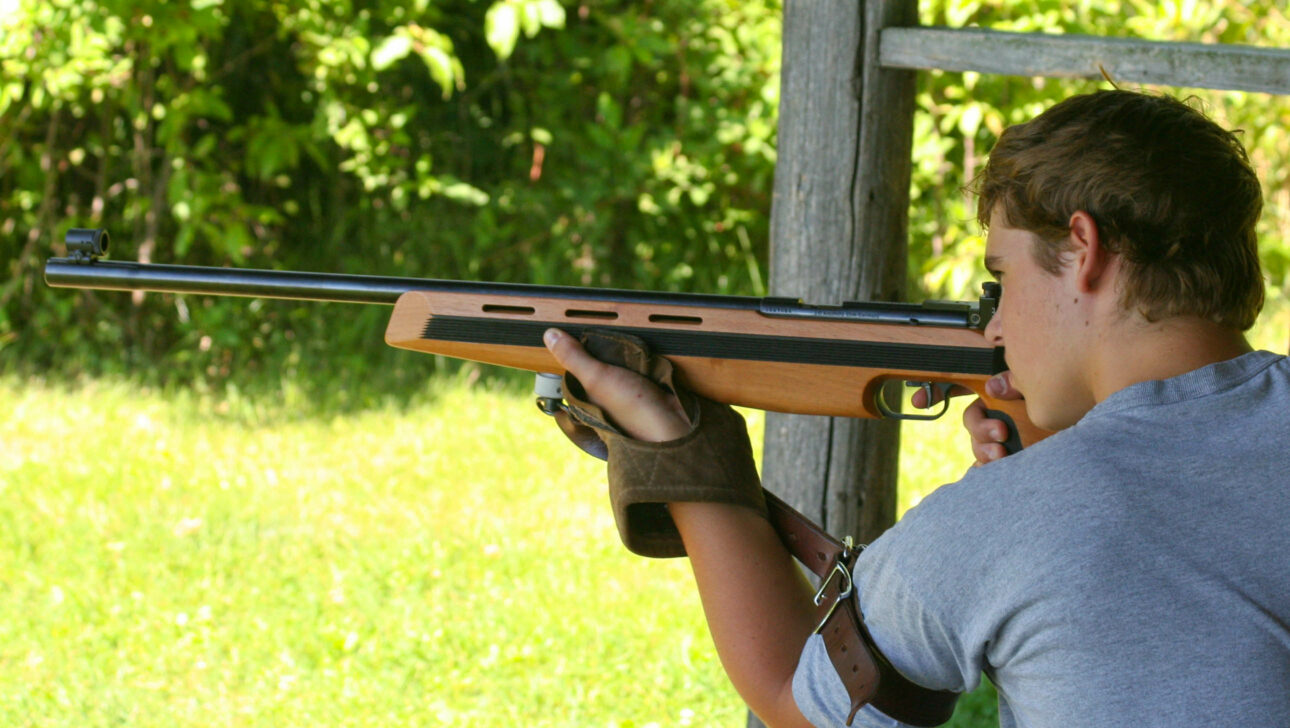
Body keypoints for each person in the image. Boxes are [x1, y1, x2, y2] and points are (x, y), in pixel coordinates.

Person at [542, 89, 1290, 727]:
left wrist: (672, 440)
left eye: (1003, 277)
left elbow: (794, 696)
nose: (995, 326)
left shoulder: (1012, 516)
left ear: (1084, 248)